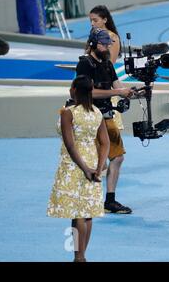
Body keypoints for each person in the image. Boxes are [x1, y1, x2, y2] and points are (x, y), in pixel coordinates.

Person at [47, 75, 110, 262]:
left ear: (74, 90)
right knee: (87, 211)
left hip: (74, 164)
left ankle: (78, 257)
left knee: (77, 214)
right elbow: (105, 143)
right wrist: (98, 168)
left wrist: (84, 168)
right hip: (92, 161)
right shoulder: (97, 113)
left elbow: (70, 145)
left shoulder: (68, 112)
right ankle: (82, 255)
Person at [76, 27, 134, 214]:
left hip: (107, 116)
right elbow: (88, 91)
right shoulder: (85, 64)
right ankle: (86, 198)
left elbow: (118, 86)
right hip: (89, 116)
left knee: (117, 157)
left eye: (107, 44)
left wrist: (134, 92)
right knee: (93, 159)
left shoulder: (107, 63)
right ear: (93, 44)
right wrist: (118, 92)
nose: (106, 47)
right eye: (103, 44)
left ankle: (110, 200)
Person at [88, 5, 124, 131]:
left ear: (104, 20)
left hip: (105, 84)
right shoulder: (93, 35)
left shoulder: (112, 37)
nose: (92, 23)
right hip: (93, 83)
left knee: (110, 131)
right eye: (90, 20)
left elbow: (110, 62)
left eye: (95, 20)